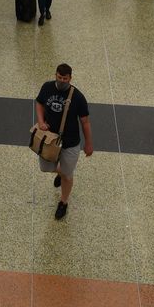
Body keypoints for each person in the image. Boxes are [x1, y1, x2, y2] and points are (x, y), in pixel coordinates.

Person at [33, 64, 92, 220]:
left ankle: (63, 202)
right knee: (45, 167)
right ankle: (62, 171)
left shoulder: (78, 97)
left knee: (67, 175)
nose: (61, 81)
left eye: (65, 78)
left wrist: (88, 144)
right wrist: (40, 121)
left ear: (70, 78)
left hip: (70, 142)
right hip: (50, 140)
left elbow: (85, 122)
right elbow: (39, 103)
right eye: (59, 77)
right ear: (56, 75)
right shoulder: (47, 87)